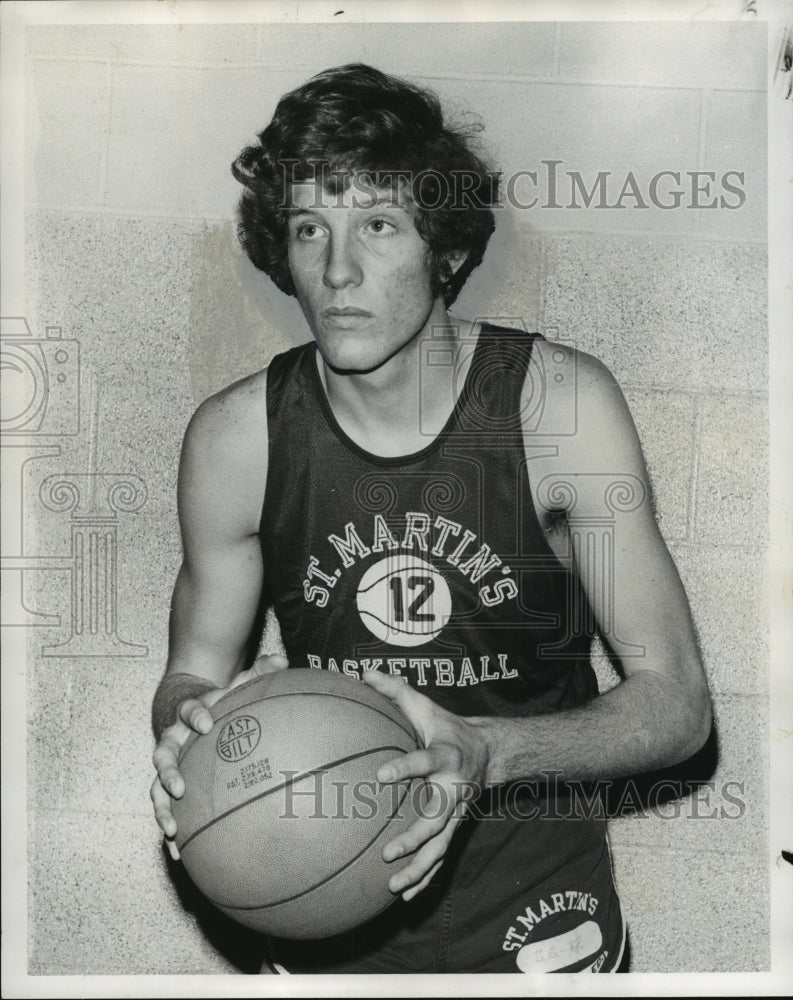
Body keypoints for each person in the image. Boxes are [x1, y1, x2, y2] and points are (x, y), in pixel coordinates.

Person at [150, 63, 712, 974]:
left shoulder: (555, 410)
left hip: (534, 910)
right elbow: (187, 675)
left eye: (377, 223)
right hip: (323, 904)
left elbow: (677, 706)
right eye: (308, 229)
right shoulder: (234, 439)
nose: (337, 270)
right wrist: (192, 722)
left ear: (443, 247)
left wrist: (483, 752)